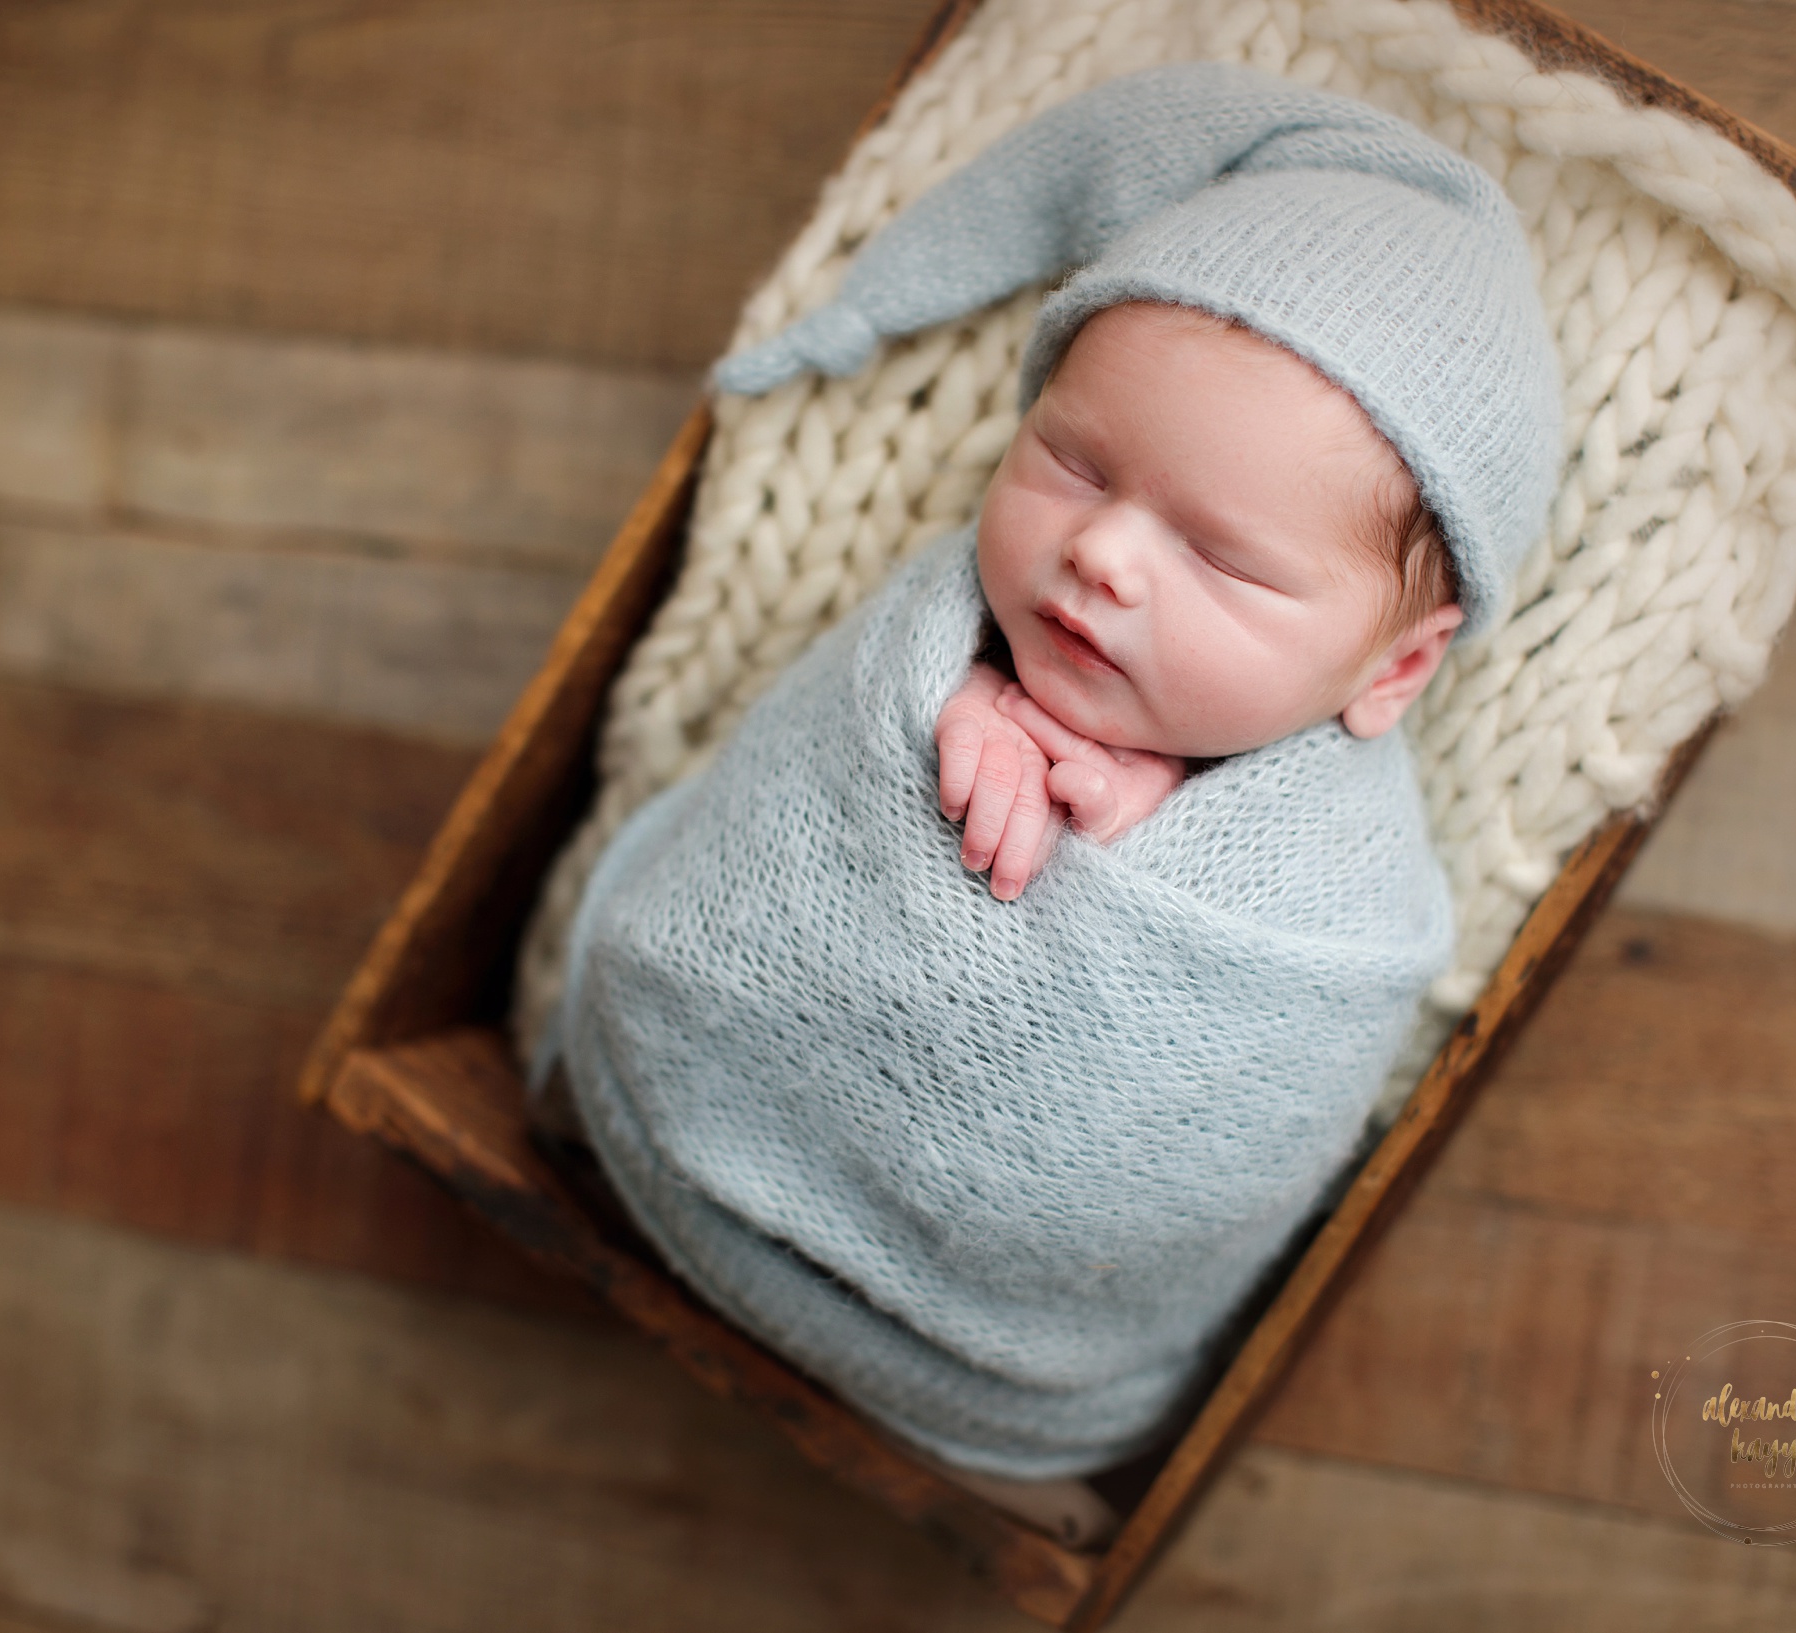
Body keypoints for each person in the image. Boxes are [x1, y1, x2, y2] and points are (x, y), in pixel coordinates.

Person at [532, 62, 1564, 1525]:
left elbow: (1256, 1076)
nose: (1104, 556)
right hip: (685, 1107)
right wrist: (948, 709)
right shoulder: (940, 634)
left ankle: (976, 1410)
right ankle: (630, 1129)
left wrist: (1147, 850)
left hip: (1012, 1338)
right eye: (1072, 465)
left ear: (1390, 671)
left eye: (1222, 558)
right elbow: (801, 794)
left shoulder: (1330, 882)